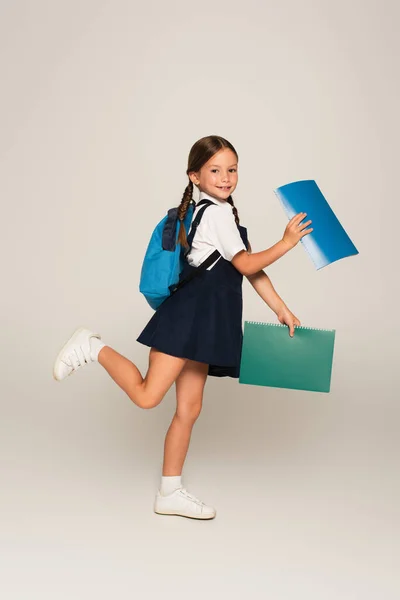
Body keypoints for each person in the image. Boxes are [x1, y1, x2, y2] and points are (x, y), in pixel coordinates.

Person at [53, 135, 313, 520]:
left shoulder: (225, 214)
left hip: (206, 325)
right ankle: (92, 347)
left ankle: (169, 491)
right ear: (194, 175)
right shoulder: (217, 214)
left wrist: (282, 310)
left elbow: (253, 271)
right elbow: (245, 264)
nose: (226, 177)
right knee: (147, 396)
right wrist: (287, 242)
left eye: (232, 169)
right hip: (188, 318)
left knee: (189, 410)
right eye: (215, 170)